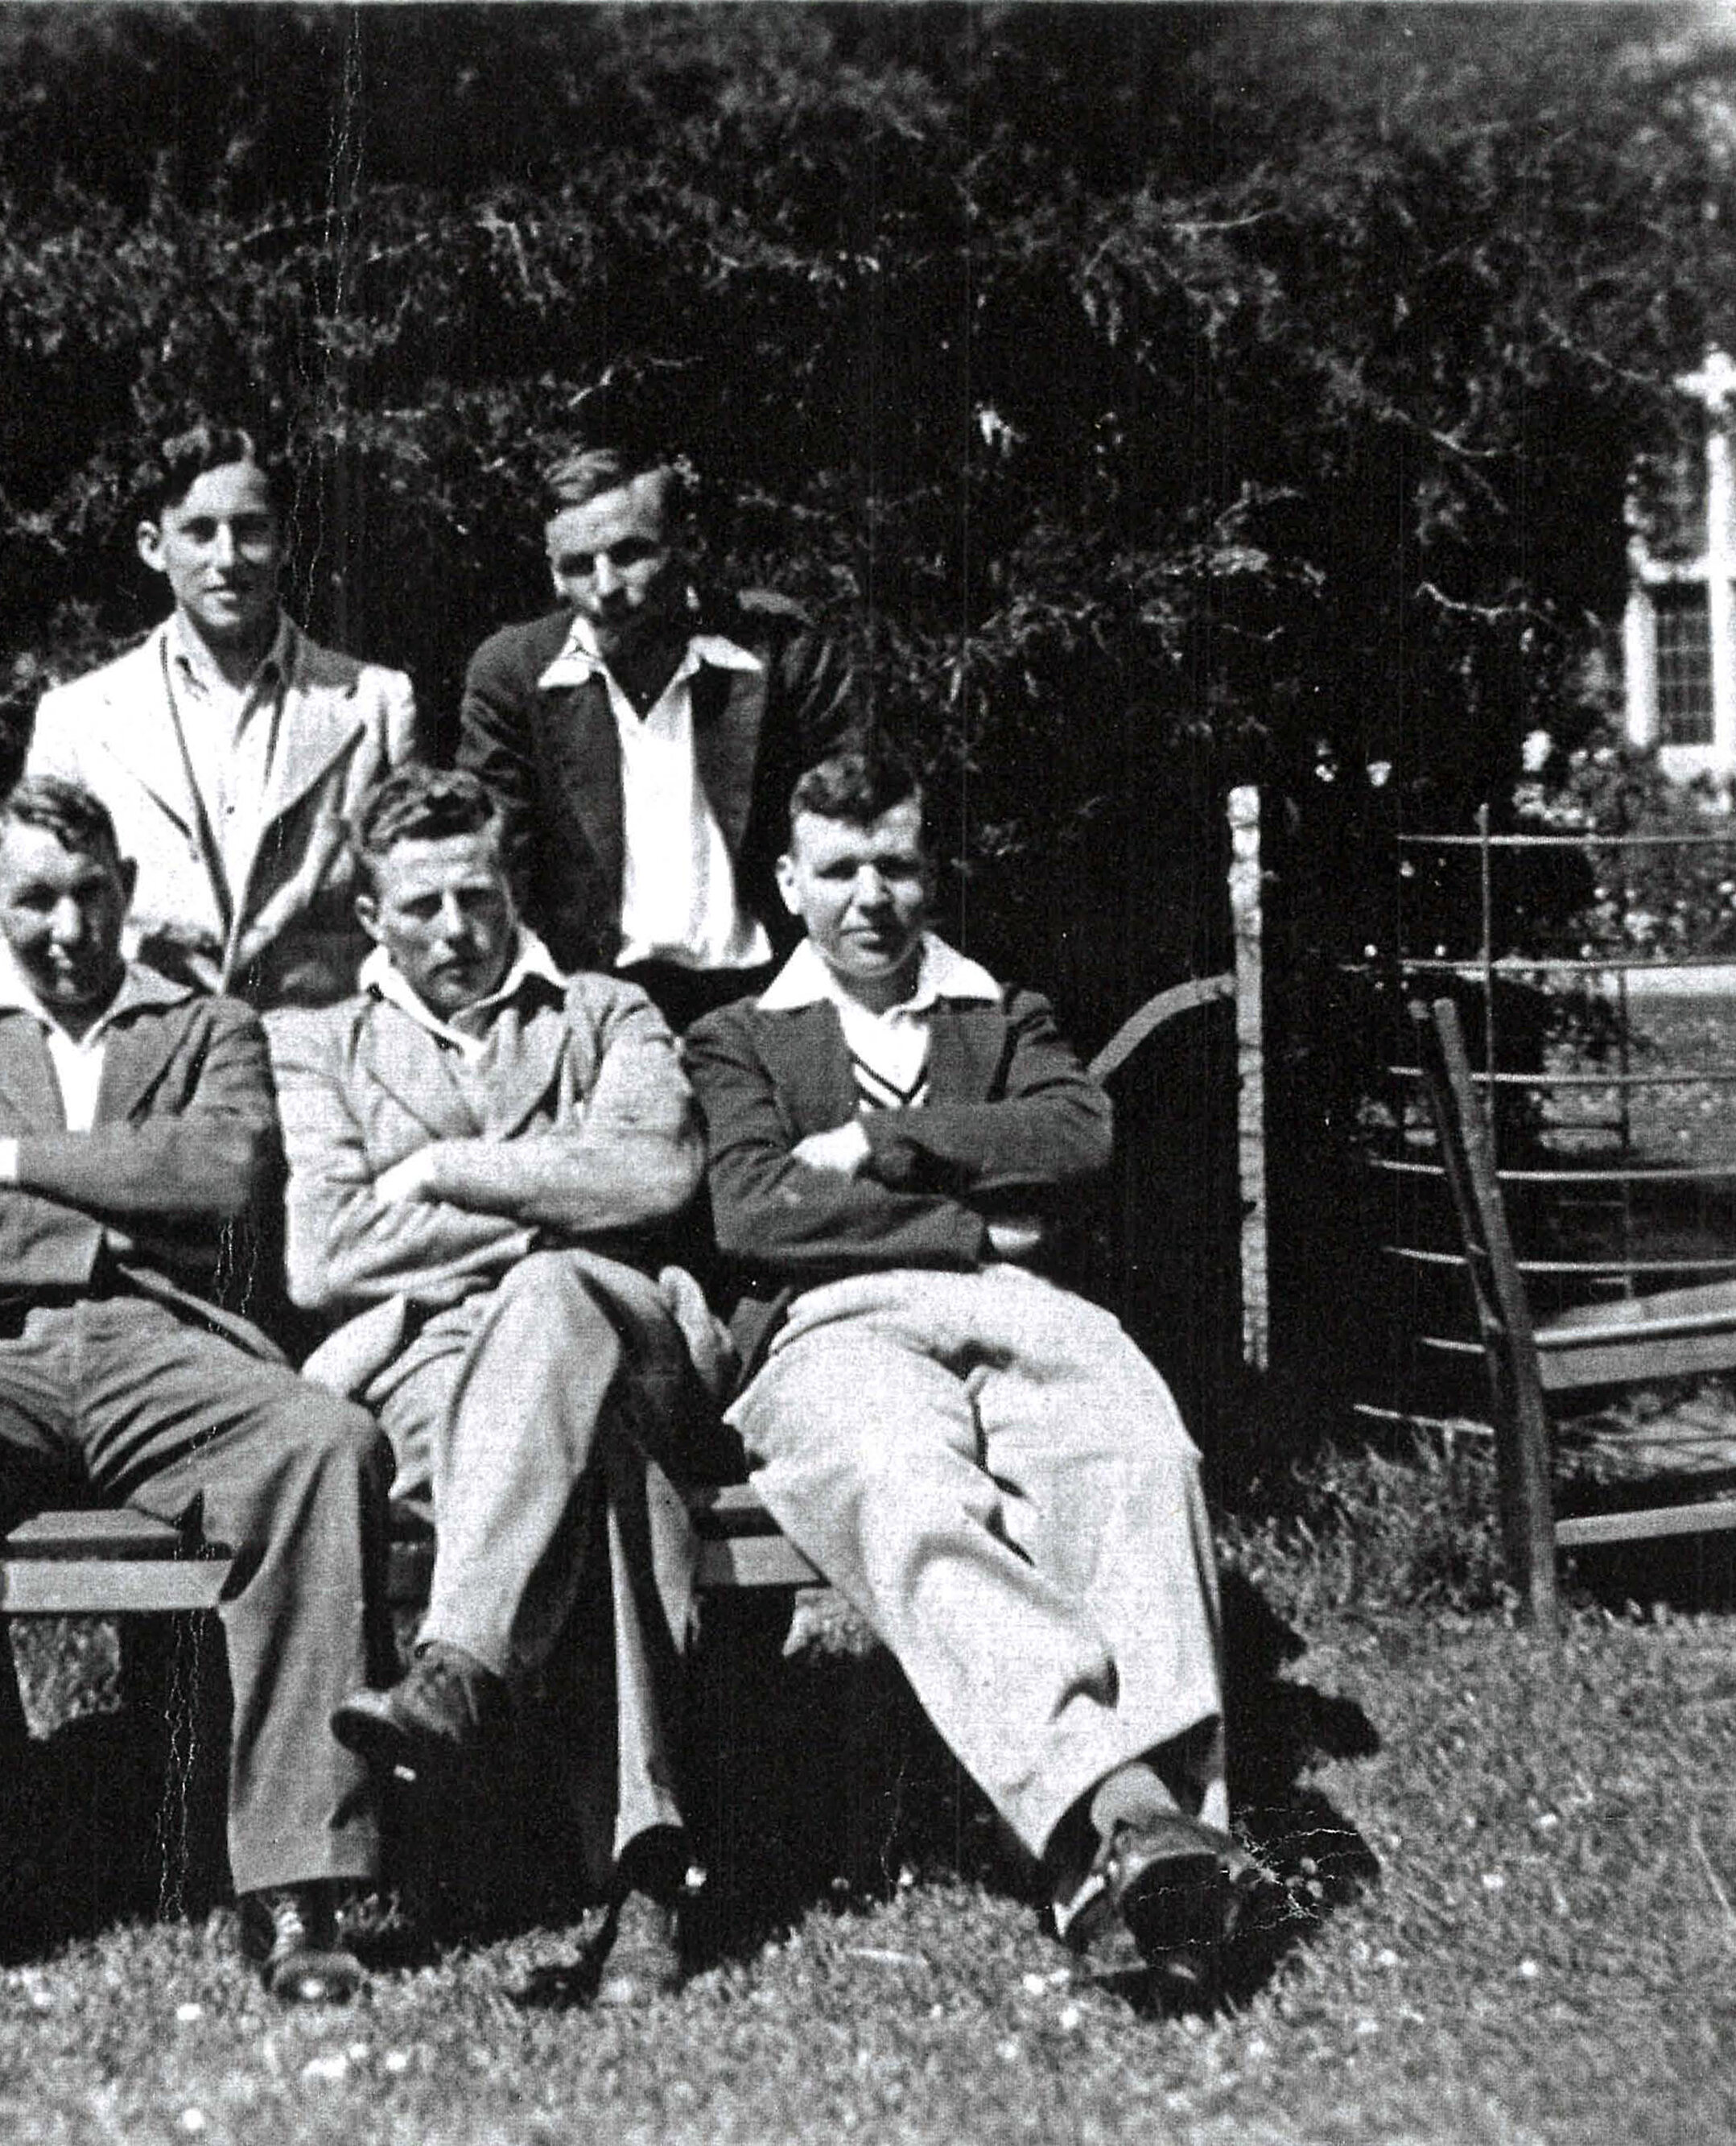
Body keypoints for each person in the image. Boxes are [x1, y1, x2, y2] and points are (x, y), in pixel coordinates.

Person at [0, 775, 389, 2016]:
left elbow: (225, 1172)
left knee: (322, 1441)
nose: (67, 928)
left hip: (170, 1347)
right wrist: (108, 1230)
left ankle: (296, 1881)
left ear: (126, 890)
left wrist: (13, 1167)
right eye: (35, 902)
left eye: (91, 894)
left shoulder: (204, 1024)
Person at [683, 745, 1266, 2001]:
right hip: (829, 1325)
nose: (870, 897)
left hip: (1019, 1303)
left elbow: (1077, 1133)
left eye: (894, 864)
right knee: (907, 1488)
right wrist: (966, 1219)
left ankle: (1166, 1833)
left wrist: (883, 1143)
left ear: (929, 872)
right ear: (790, 881)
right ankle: (1119, 1810)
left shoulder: (998, 1013)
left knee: (1133, 1449)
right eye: (839, 870)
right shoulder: (740, 1036)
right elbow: (751, 1213)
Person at [271, 766, 732, 2005]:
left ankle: (460, 1663)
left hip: (622, 1330)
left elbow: (651, 1185)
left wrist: (449, 1170)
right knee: (609, 1483)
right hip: (432, 1380)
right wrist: (547, 1200)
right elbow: (324, 1255)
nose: (453, 928)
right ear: (371, 915)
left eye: (476, 895)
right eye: (417, 906)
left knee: (552, 1300)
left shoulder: (606, 1013)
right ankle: (644, 1877)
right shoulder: (317, 1045)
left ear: (511, 886)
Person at [458, 447, 867, 1031]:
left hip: (774, 992)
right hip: (598, 1005)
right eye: (578, 566)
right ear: (553, 573)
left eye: (630, 554)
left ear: (685, 545)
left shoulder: (778, 647)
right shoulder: (514, 676)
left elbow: (851, 820)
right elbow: (499, 864)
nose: (606, 588)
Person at [23, 422, 417, 1009]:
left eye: (252, 531)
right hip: (145, 1043)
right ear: (153, 547)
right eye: (200, 533)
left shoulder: (376, 704)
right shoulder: (77, 718)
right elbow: (37, 905)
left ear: (285, 543)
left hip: (321, 1054)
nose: (228, 559)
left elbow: (414, 898)